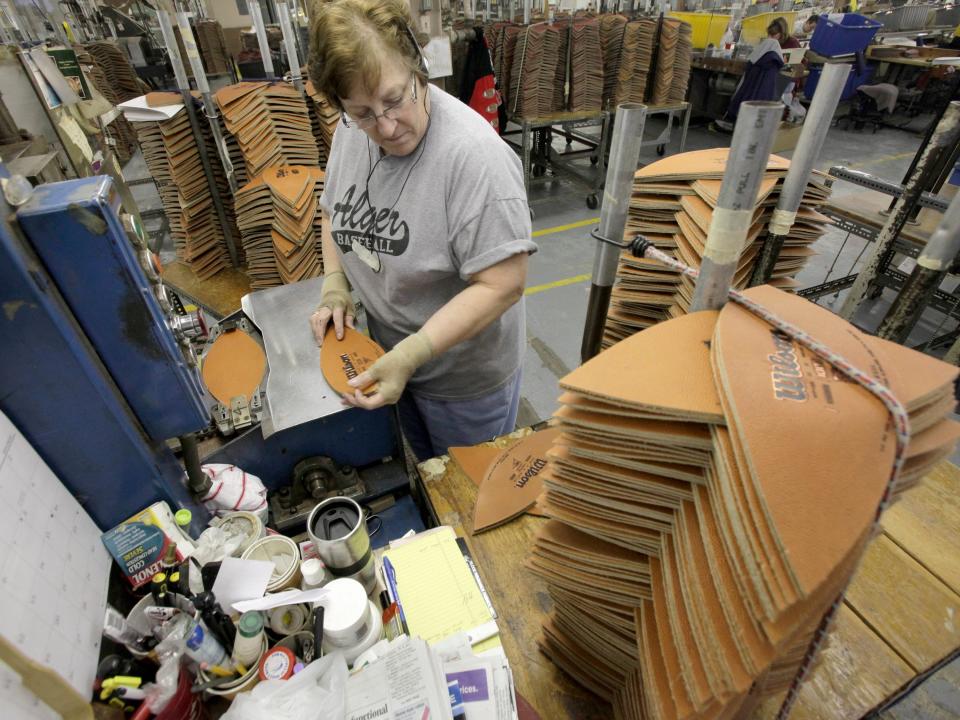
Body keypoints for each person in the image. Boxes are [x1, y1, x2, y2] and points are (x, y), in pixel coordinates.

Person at [307, 0, 537, 462]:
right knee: (426, 471)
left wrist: (414, 353)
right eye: (364, 112)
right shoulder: (353, 131)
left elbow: (503, 284)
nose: (387, 127)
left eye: (395, 99)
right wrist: (336, 284)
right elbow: (333, 212)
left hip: (461, 382)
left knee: (468, 495)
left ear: (418, 67)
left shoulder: (474, 159)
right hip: (391, 361)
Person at [712, 18, 786, 132]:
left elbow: (750, 64)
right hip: (762, 101)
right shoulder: (775, 54)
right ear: (779, 35)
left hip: (748, 95)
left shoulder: (762, 48)